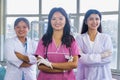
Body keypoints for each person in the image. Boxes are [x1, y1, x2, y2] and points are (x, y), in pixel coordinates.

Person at [35, 7, 80, 80]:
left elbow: (74, 64)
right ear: (50, 21)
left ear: (66, 21)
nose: (57, 21)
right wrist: (64, 68)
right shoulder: (44, 40)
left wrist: (50, 64)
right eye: (53, 19)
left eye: (60, 18)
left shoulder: (71, 40)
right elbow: (40, 66)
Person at [76, 9, 113, 80]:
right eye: (91, 19)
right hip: (85, 75)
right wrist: (102, 55)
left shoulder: (106, 38)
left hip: (103, 75)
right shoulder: (79, 38)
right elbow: (80, 58)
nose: (94, 22)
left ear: (100, 21)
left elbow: (108, 59)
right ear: (86, 21)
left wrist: (87, 59)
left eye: (97, 19)